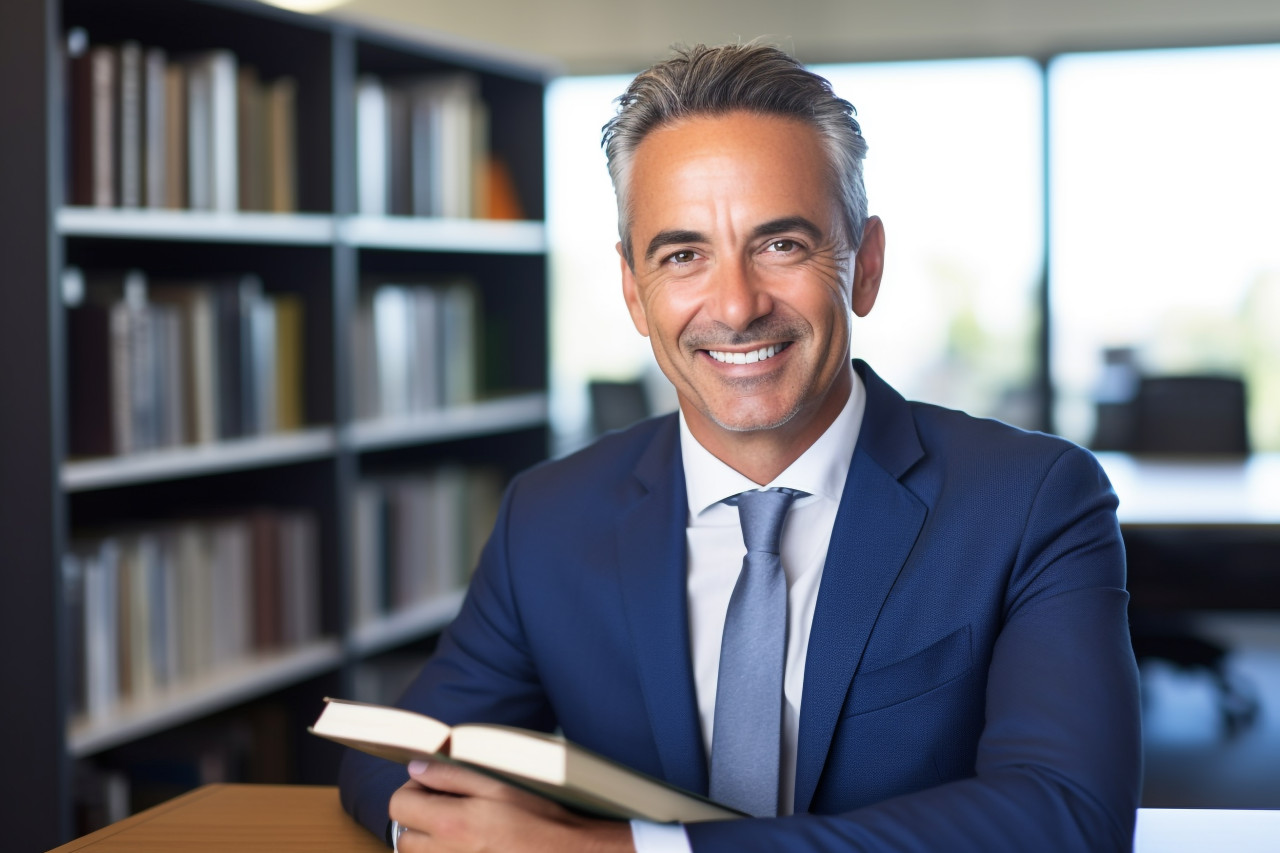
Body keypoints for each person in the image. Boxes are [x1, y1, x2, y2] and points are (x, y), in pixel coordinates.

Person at [339, 42, 1142, 852]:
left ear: (864, 265)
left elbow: (1066, 814)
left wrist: (621, 852)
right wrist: (439, 835)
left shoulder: (1032, 499)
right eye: (683, 255)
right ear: (634, 291)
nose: (735, 304)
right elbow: (398, 752)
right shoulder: (548, 517)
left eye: (781, 245)